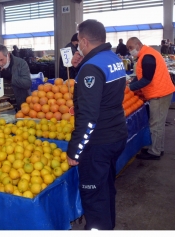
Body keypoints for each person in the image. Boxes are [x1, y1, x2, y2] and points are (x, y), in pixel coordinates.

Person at [67, 19, 128, 230]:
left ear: (84, 41)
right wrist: (78, 69)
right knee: (105, 188)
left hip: (99, 141)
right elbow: (103, 96)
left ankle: (98, 229)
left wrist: (75, 150)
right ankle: (107, 226)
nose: (77, 46)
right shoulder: (112, 59)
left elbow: (88, 116)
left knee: (93, 196)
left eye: (78, 42)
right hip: (116, 133)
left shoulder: (91, 68)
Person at [126, 37, 175, 160]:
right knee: (158, 122)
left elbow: (147, 79)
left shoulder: (147, 57)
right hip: (161, 92)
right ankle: (159, 148)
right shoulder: (146, 54)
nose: (129, 51)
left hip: (159, 94)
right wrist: (132, 82)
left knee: (156, 123)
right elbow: (141, 75)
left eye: (131, 48)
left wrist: (129, 88)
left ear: (138, 45)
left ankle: (155, 152)